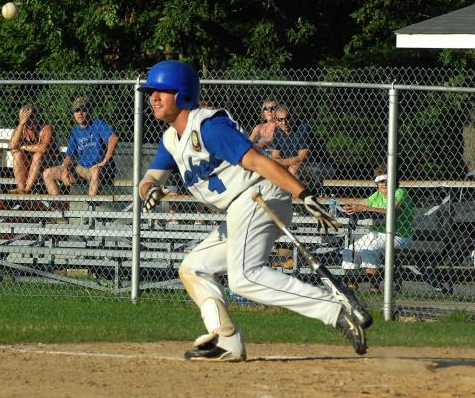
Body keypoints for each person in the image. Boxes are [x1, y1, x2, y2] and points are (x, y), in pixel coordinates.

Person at [138, 60, 370, 362]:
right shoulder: (171, 139)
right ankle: (226, 339)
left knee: (244, 276)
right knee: (193, 267)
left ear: (182, 94)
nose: (153, 98)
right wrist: (150, 190)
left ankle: (335, 308)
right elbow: (149, 179)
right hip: (240, 207)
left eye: (161, 91)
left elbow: (260, 162)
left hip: (259, 196)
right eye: (151, 92)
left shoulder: (208, 127)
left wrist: (304, 194)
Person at [341, 165, 414, 293]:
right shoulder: (377, 195)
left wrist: (365, 209)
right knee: (350, 250)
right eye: (380, 181)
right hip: (375, 234)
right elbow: (362, 204)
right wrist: (351, 206)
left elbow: (392, 212)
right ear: (377, 184)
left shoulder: (399, 192)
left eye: (387, 180)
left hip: (398, 236)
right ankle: (352, 286)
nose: (384, 184)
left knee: (369, 250)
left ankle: (374, 288)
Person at [43, 97, 119, 198]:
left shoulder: (97, 124)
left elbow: (113, 138)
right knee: (47, 173)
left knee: (95, 171)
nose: (80, 113)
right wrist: (65, 168)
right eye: (77, 110)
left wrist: (105, 161)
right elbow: (69, 156)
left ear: (89, 111)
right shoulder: (75, 131)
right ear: (73, 114)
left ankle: (91, 211)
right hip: (82, 169)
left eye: (84, 109)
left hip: (100, 168)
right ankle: (59, 209)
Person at [271, 106, 332, 192]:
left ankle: (297, 203)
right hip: (297, 166)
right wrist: (278, 163)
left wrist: (281, 162)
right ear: (275, 121)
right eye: (280, 120)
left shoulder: (303, 127)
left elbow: (302, 158)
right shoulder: (278, 130)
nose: (284, 122)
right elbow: (275, 156)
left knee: (293, 169)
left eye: (288, 118)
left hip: (320, 165)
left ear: (294, 116)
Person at [8, 104, 58, 194]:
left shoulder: (46, 128)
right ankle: (21, 188)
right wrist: (21, 124)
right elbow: (13, 145)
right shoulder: (21, 129)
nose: (29, 121)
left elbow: (43, 149)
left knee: (38, 155)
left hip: (46, 164)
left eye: (31, 117)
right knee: (17, 154)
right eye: (26, 118)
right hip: (28, 165)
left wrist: (23, 146)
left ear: (36, 117)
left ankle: (27, 190)